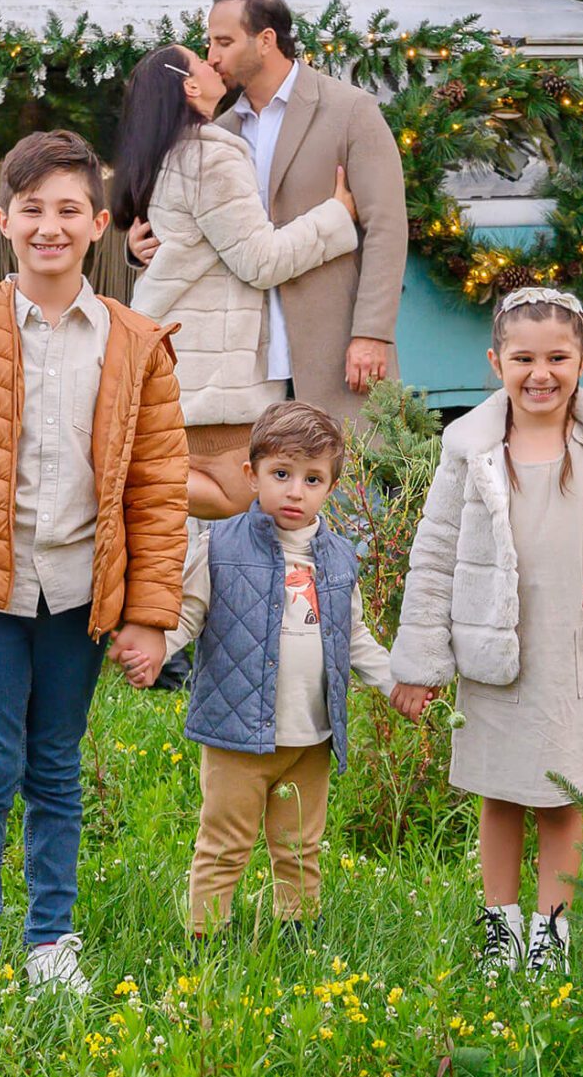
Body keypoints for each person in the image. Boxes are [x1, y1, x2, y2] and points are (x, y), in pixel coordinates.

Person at [0, 130, 188, 1014]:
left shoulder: (136, 346)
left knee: (55, 766)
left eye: (68, 212)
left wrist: (150, 614)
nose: (49, 228)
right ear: (3, 219)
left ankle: (52, 940)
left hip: (82, 592)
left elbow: (160, 491)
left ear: (97, 224)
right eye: (32, 211)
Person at [389, 288, 583, 977]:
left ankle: (550, 937)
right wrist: (418, 662)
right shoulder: (470, 450)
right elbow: (436, 554)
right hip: (496, 652)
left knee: (563, 797)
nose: (541, 373)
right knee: (500, 795)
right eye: (523, 357)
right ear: (495, 361)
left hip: (573, 650)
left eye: (557, 357)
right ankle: (498, 932)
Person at [120, 400, 409, 937]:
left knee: (299, 847)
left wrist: (395, 684)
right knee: (225, 843)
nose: (295, 491)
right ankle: (204, 942)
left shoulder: (340, 558)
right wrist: (157, 648)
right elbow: (186, 613)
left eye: (312, 478)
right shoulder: (219, 547)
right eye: (281, 474)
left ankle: (295, 935)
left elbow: (354, 638)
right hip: (236, 739)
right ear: (252, 475)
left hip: (311, 738)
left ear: (331, 486)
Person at [127, 0, 407, 422]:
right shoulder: (217, 131)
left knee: (353, 485)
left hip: (332, 346)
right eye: (208, 45)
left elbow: (387, 227)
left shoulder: (349, 110)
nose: (213, 56)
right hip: (245, 372)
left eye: (224, 42)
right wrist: (140, 244)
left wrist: (372, 333)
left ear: (266, 40)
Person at [114, 44, 361, 519]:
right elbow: (260, 260)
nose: (214, 61)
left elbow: (179, 246)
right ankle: (117, 477)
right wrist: (335, 218)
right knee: (239, 501)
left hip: (174, 367)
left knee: (185, 537)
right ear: (189, 85)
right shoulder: (209, 156)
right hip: (214, 387)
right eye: (202, 61)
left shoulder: (166, 153)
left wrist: (133, 251)